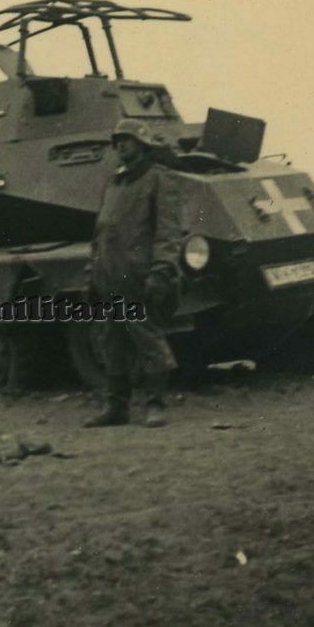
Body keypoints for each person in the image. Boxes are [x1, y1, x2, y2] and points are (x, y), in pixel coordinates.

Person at [84, 118, 185, 429]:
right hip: (109, 275)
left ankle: (155, 405)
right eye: (117, 141)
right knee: (111, 342)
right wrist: (93, 274)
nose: (120, 145)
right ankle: (117, 407)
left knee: (148, 339)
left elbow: (168, 232)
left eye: (126, 140)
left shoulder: (159, 179)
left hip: (139, 276)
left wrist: (162, 270)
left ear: (142, 145)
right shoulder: (114, 184)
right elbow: (101, 233)